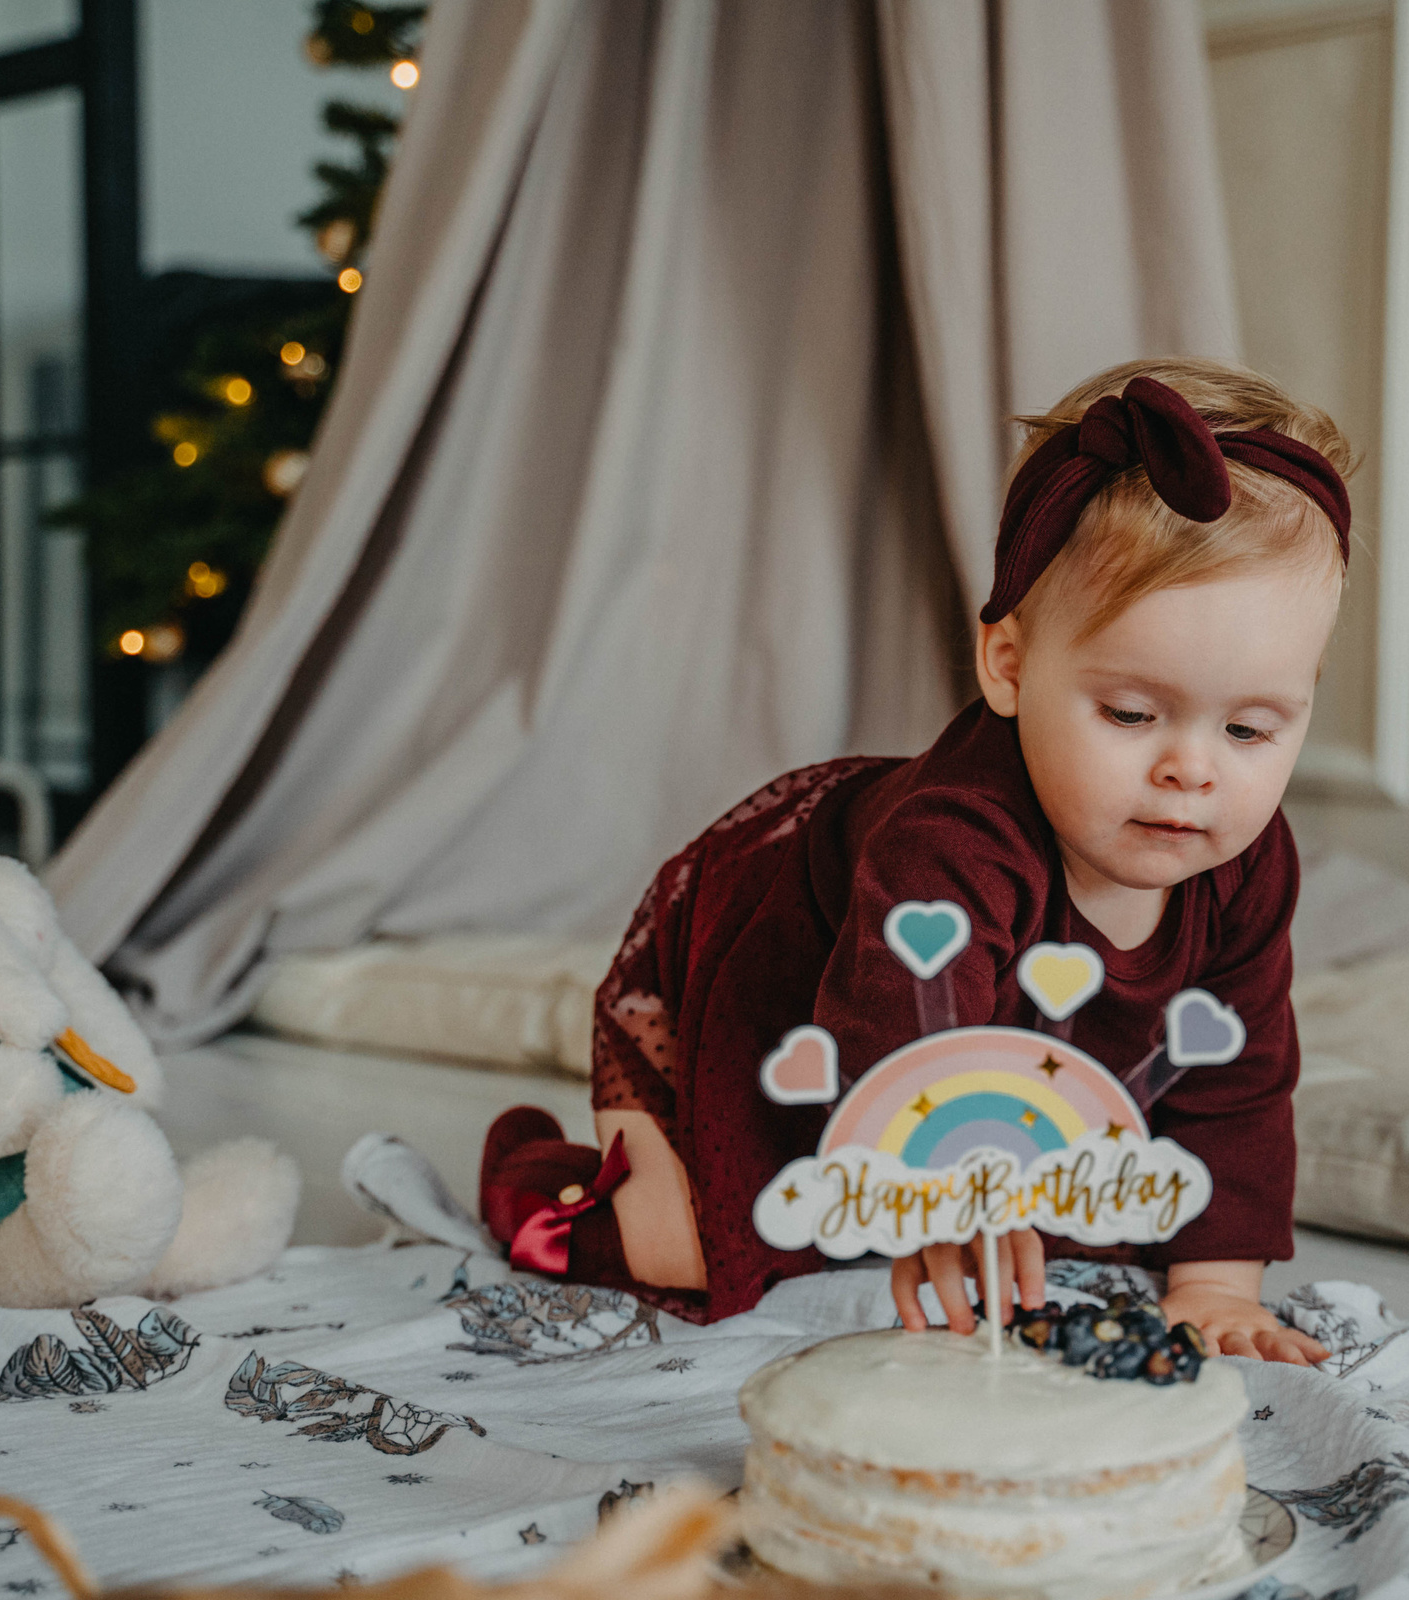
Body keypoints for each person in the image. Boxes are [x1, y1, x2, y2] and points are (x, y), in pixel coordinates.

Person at [481, 357, 1350, 1365]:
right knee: (690, 1247)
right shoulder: (954, 839)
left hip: (980, 1055)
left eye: (1249, 730)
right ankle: (539, 1178)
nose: (1189, 771)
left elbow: (1237, 1070)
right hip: (772, 992)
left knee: (1087, 1227)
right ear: (1010, 666)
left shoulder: (1245, 865)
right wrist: (943, 1198)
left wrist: (1212, 1284)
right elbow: (900, 1028)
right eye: (1129, 713)